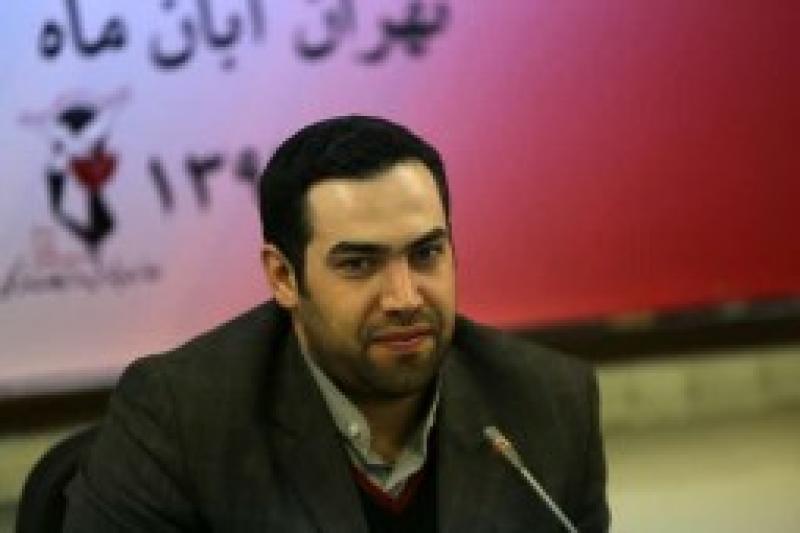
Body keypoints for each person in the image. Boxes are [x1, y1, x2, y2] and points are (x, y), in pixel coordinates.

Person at [64, 115, 609, 532]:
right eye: (359, 265)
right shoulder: (180, 419)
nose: (404, 299)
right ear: (283, 276)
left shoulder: (549, 404)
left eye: (425, 254)